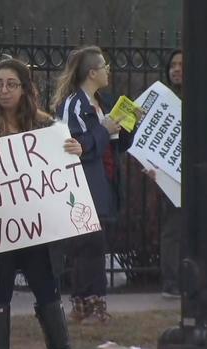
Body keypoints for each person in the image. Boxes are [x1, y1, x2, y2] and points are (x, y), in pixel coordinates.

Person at [0, 58, 80, 349]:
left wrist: (74, 150)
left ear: (24, 88)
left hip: (37, 230)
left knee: (48, 292)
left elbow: (61, 175)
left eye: (11, 84)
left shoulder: (46, 126)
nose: (4, 90)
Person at [51, 45, 134, 324]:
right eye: (104, 66)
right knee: (89, 242)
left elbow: (113, 145)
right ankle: (87, 303)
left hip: (104, 179)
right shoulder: (74, 105)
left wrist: (127, 126)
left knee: (95, 243)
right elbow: (74, 146)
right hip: (83, 182)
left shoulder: (102, 102)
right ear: (92, 72)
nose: (108, 70)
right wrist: (104, 129)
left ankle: (88, 303)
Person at [145, 49, 183, 298]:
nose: (177, 69)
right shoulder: (161, 97)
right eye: (173, 65)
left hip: (199, 172)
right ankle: (172, 283)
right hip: (171, 173)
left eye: (182, 64)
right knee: (174, 229)